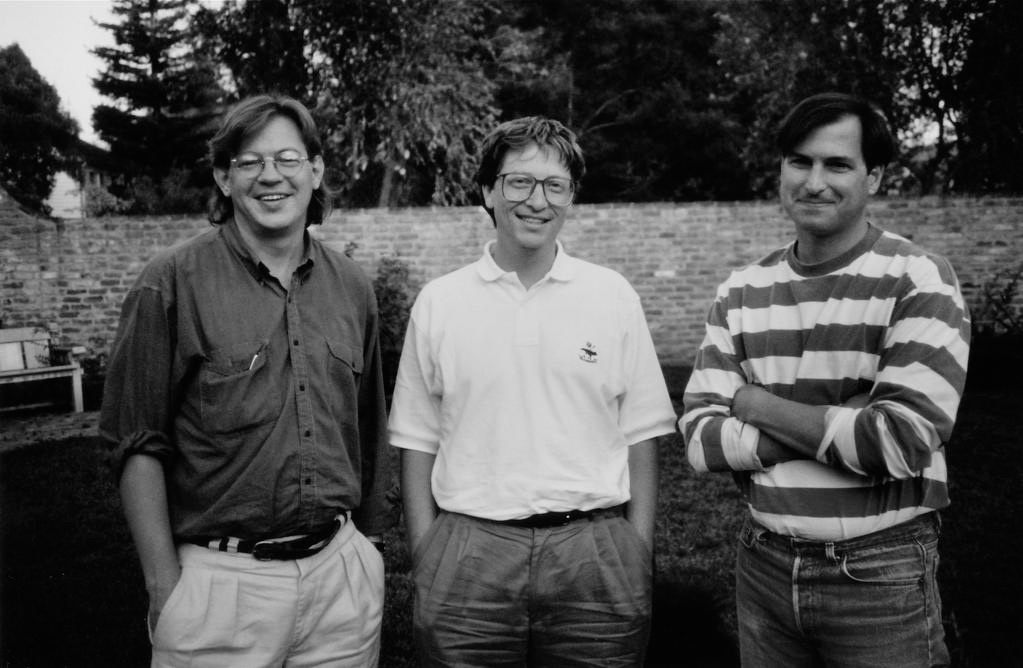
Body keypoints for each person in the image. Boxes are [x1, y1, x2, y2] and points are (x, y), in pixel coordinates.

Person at [99, 94, 391, 667]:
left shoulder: (352, 287)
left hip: (341, 584)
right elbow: (134, 439)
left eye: (287, 158)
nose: (270, 176)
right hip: (220, 588)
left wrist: (370, 550)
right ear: (223, 178)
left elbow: (367, 422)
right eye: (250, 162)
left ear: (316, 171)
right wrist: (164, 585)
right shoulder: (170, 283)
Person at [680, 92, 970, 667]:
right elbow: (699, 440)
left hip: (880, 572)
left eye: (837, 164)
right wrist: (843, 415)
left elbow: (897, 440)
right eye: (800, 161)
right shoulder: (740, 291)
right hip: (761, 564)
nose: (815, 182)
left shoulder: (918, 278)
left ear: (875, 177)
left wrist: (753, 402)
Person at [388, 116, 676, 666]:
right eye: (519, 182)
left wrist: (635, 551)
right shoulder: (440, 302)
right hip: (469, 553)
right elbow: (416, 440)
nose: (536, 201)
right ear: (489, 192)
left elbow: (642, 433)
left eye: (555, 185)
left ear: (571, 197)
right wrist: (428, 553)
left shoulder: (611, 295)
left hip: (594, 552)